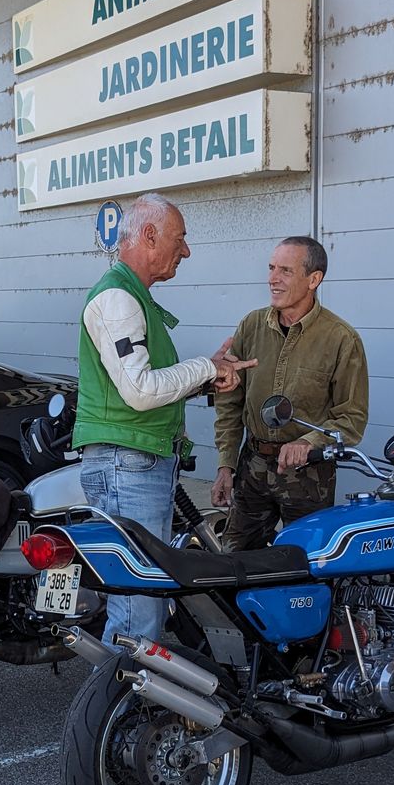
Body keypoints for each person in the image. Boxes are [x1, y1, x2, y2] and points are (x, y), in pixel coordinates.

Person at [73, 192, 254, 645]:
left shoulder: (130, 296)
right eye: (180, 238)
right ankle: (120, 690)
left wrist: (206, 379)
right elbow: (140, 390)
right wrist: (206, 368)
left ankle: (123, 686)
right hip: (129, 465)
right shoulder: (117, 299)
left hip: (132, 462)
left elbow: (147, 387)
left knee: (141, 604)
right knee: (138, 610)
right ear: (150, 236)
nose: (186, 251)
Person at [212, 236, 370, 551]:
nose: (273, 278)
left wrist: (308, 442)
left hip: (309, 475)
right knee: (234, 561)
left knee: (305, 563)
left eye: (285, 270)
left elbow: (351, 418)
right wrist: (226, 464)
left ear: (314, 279)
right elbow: (230, 401)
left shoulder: (341, 339)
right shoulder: (251, 326)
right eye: (271, 268)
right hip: (253, 468)